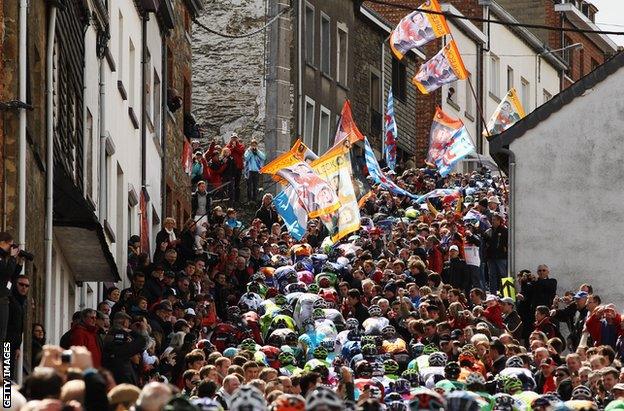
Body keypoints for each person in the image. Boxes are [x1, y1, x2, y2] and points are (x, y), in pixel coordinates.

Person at [0, 231, 24, 343]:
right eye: (10, 245)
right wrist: (13, 258)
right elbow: (6, 272)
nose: (11, 248)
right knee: (3, 334)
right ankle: (3, 357)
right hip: (2, 299)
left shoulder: (4, 258)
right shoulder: (2, 257)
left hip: (6, 298)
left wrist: (19, 263)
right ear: (2, 243)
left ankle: (4, 357)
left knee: (4, 334)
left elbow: (11, 276)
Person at [483, 213, 508, 293]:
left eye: (494, 220)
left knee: (504, 275)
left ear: (499, 220)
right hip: (491, 257)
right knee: (492, 276)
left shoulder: (504, 230)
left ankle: (507, 293)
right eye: (492, 220)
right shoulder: (489, 231)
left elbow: (504, 243)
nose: (492, 221)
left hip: (501, 257)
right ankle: (492, 294)